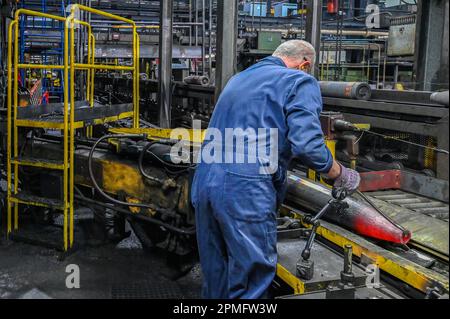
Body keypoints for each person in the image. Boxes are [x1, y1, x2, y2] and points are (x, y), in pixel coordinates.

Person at [191, 40, 361, 299]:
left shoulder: (238, 79)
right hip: (245, 188)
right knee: (251, 278)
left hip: (204, 180)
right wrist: (338, 172)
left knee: (217, 273)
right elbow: (308, 145)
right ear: (304, 64)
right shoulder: (298, 81)